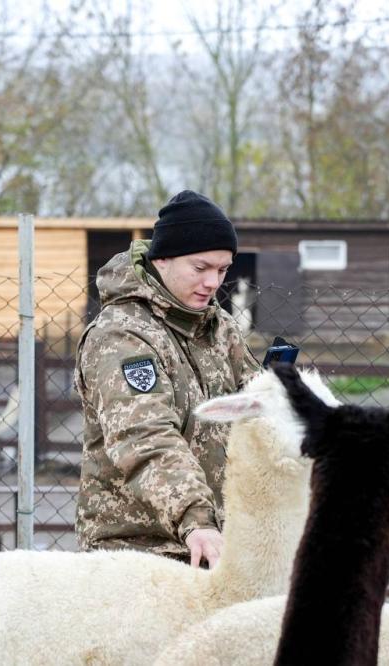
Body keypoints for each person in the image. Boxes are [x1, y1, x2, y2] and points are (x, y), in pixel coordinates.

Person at [74, 190, 260, 569]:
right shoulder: (121, 337)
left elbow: (255, 400)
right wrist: (195, 519)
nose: (213, 282)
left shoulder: (216, 326)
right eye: (201, 268)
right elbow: (145, 436)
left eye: (223, 271)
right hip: (137, 552)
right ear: (163, 259)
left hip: (211, 544)